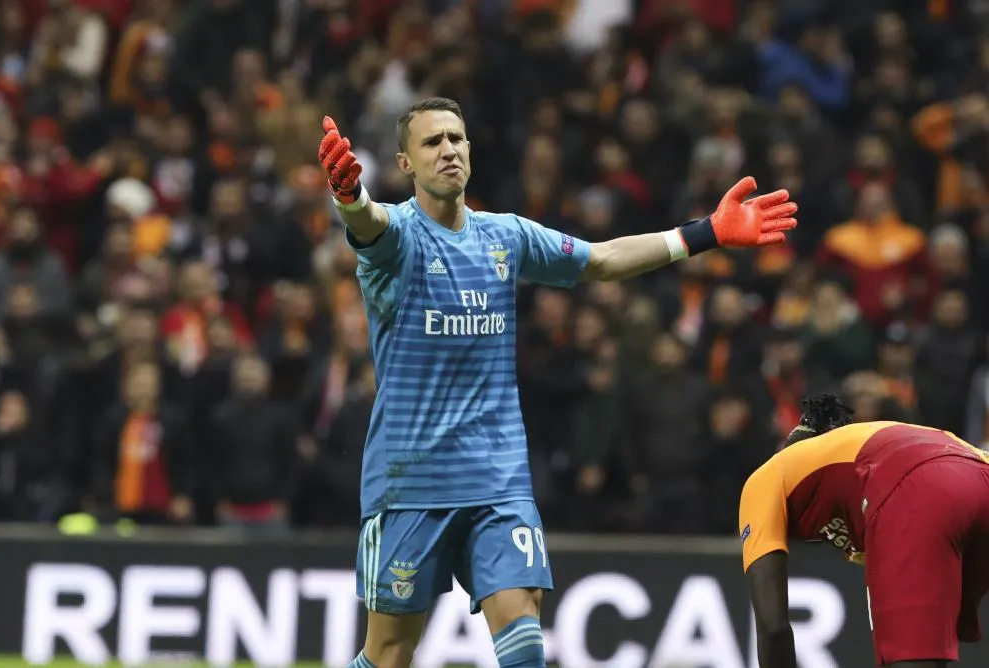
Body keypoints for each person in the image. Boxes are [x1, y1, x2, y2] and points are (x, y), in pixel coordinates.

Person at [318, 96, 798, 668]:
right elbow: (367, 224)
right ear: (404, 163)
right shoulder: (398, 236)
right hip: (410, 486)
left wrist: (707, 232)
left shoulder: (506, 236)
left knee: (525, 646)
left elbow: (602, 260)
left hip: (498, 484)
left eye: (456, 138)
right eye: (431, 142)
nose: (448, 150)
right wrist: (350, 198)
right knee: (389, 654)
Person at [739, 394, 989, 668]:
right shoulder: (870, 449)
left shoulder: (767, 476)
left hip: (915, 486)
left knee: (908, 657)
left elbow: (773, 628)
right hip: (979, 472)